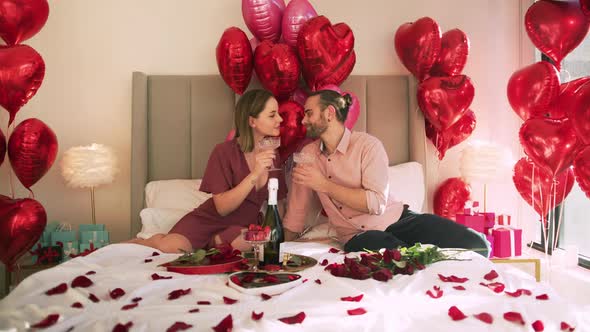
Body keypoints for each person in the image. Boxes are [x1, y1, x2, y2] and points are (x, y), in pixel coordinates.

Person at [283, 90, 490, 256]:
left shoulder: (367, 146)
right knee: (403, 258)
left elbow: (376, 204)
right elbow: (296, 211)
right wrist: (280, 249)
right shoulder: (307, 155)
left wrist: (325, 185)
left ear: (329, 113)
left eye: (309, 113)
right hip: (357, 236)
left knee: (477, 244)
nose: (303, 121)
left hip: (398, 219)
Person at [129, 89, 287, 253]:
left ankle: (214, 242)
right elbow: (222, 208)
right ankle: (147, 241)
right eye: (272, 115)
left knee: (249, 245)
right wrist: (255, 174)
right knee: (171, 248)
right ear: (252, 121)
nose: (280, 119)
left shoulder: (273, 154)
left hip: (242, 227)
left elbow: (279, 202)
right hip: (209, 220)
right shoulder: (223, 152)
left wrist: (277, 233)